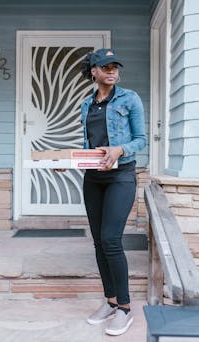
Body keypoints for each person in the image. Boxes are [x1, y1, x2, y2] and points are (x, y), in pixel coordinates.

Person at [80, 48, 146, 336]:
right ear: (93, 71)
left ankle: (125, 308)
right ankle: (109, 301)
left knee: (110, 240)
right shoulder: (86, 105)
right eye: (105, 66)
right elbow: (87, 144)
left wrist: (121, 148)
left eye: (115, 66)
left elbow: (141, 139)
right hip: (92, 178)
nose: (111, 71)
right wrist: (65, 161)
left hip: (121, 176)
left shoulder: (129, 99)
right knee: (98, 242)